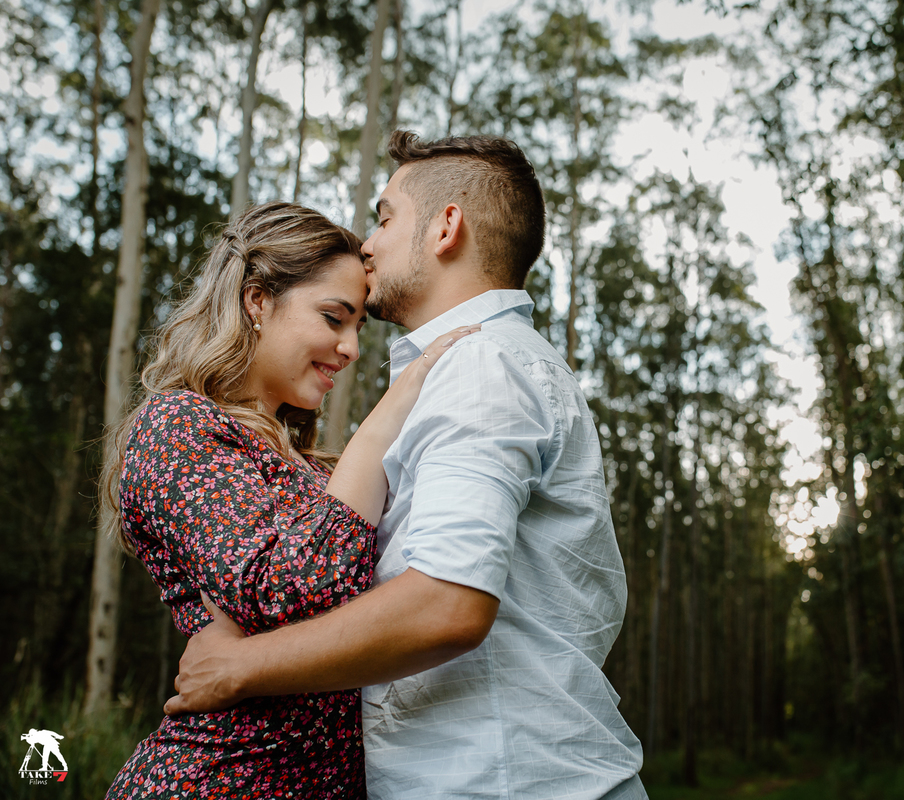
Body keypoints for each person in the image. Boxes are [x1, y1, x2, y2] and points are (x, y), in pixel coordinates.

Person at [166, 132, 648, 799]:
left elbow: (447, 604)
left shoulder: (483, 366)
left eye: (386, 216)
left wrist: (240, 667)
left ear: (447, 226)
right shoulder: (476, 367)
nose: (368, 242)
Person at [103, 202, 478, 799]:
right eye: (334, 318)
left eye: (359, 327)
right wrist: (388, 415)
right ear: (257, 300)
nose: (352, 346)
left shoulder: (310, 469)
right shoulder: (177, 426)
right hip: (222, 779)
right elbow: (287, 589)